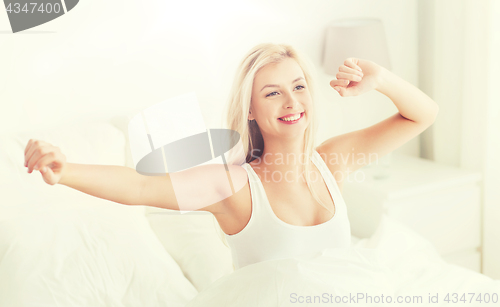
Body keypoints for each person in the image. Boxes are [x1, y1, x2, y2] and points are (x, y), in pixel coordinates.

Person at [23, 43, 439, 271]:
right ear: (251, 111)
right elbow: (140, 186)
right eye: (273, 93)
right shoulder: (234, 185)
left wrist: (380, 78)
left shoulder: (332, 162)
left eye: (298, 86)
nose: (291, 101)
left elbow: (423, 115)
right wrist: (66, 170)